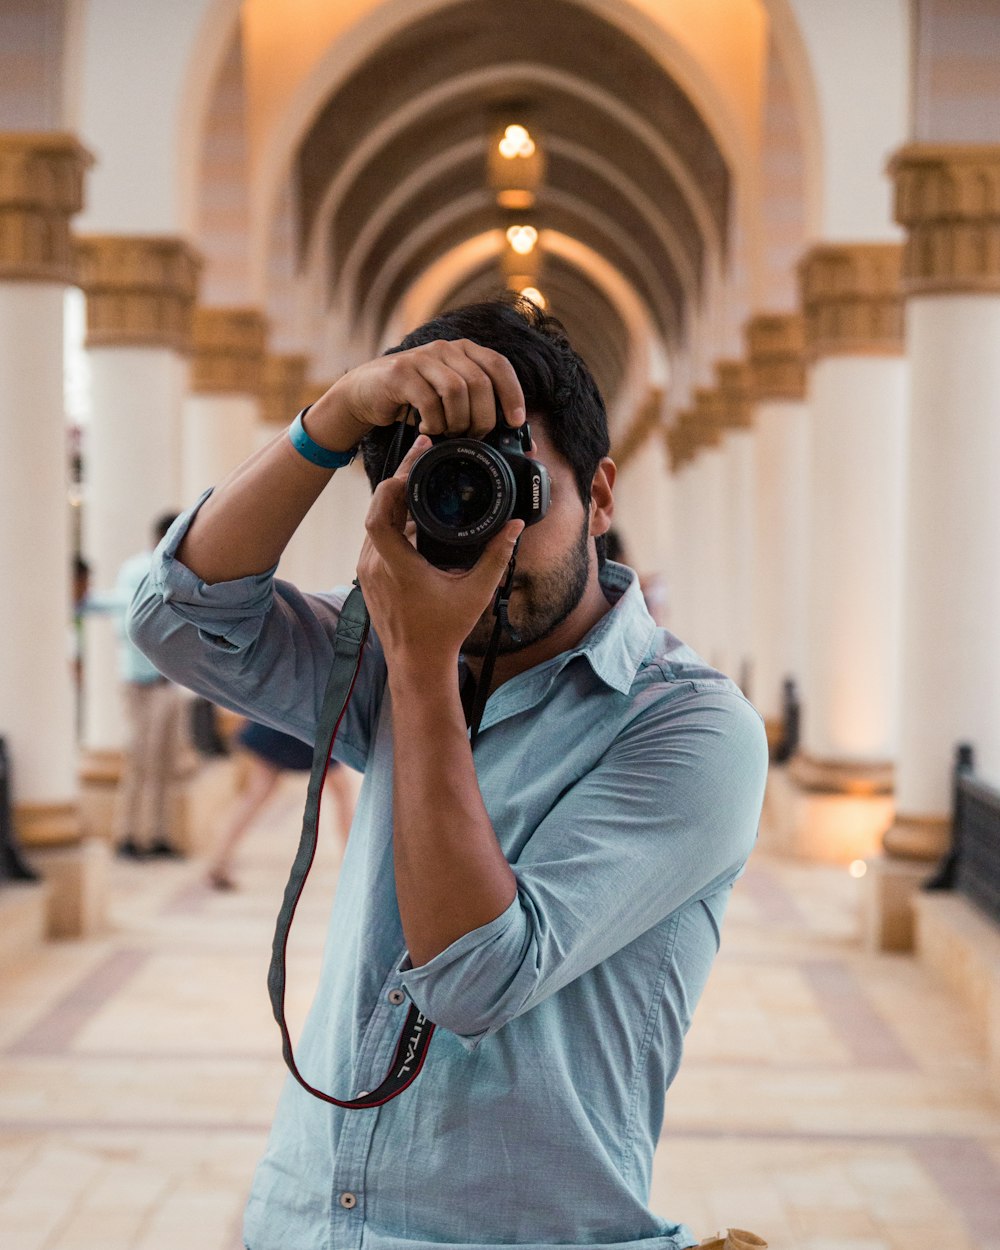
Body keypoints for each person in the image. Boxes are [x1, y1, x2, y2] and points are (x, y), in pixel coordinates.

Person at [129, 298, 767, 1250]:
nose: (487, 528)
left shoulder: (688, 725)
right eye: (449, 491)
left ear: (598, 496)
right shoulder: (388, 653)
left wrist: (424, 666)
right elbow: (177, 618)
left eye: (518, 487)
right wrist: (334, 417)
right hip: (303, 1223)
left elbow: (475, 979)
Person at [91, 514, 186, 859]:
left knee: (165, 763)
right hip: (141, 684)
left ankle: (158, 835)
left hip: (169, 682)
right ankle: (128, 836)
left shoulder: (182, 570)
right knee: (139, 762)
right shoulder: (137, 570)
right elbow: (126, 611)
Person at [205, 719, 355, 890]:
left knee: (257, 793)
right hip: (306, 724)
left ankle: (219, 859)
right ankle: (352, 867)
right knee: (343, 792)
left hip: (282, 721)